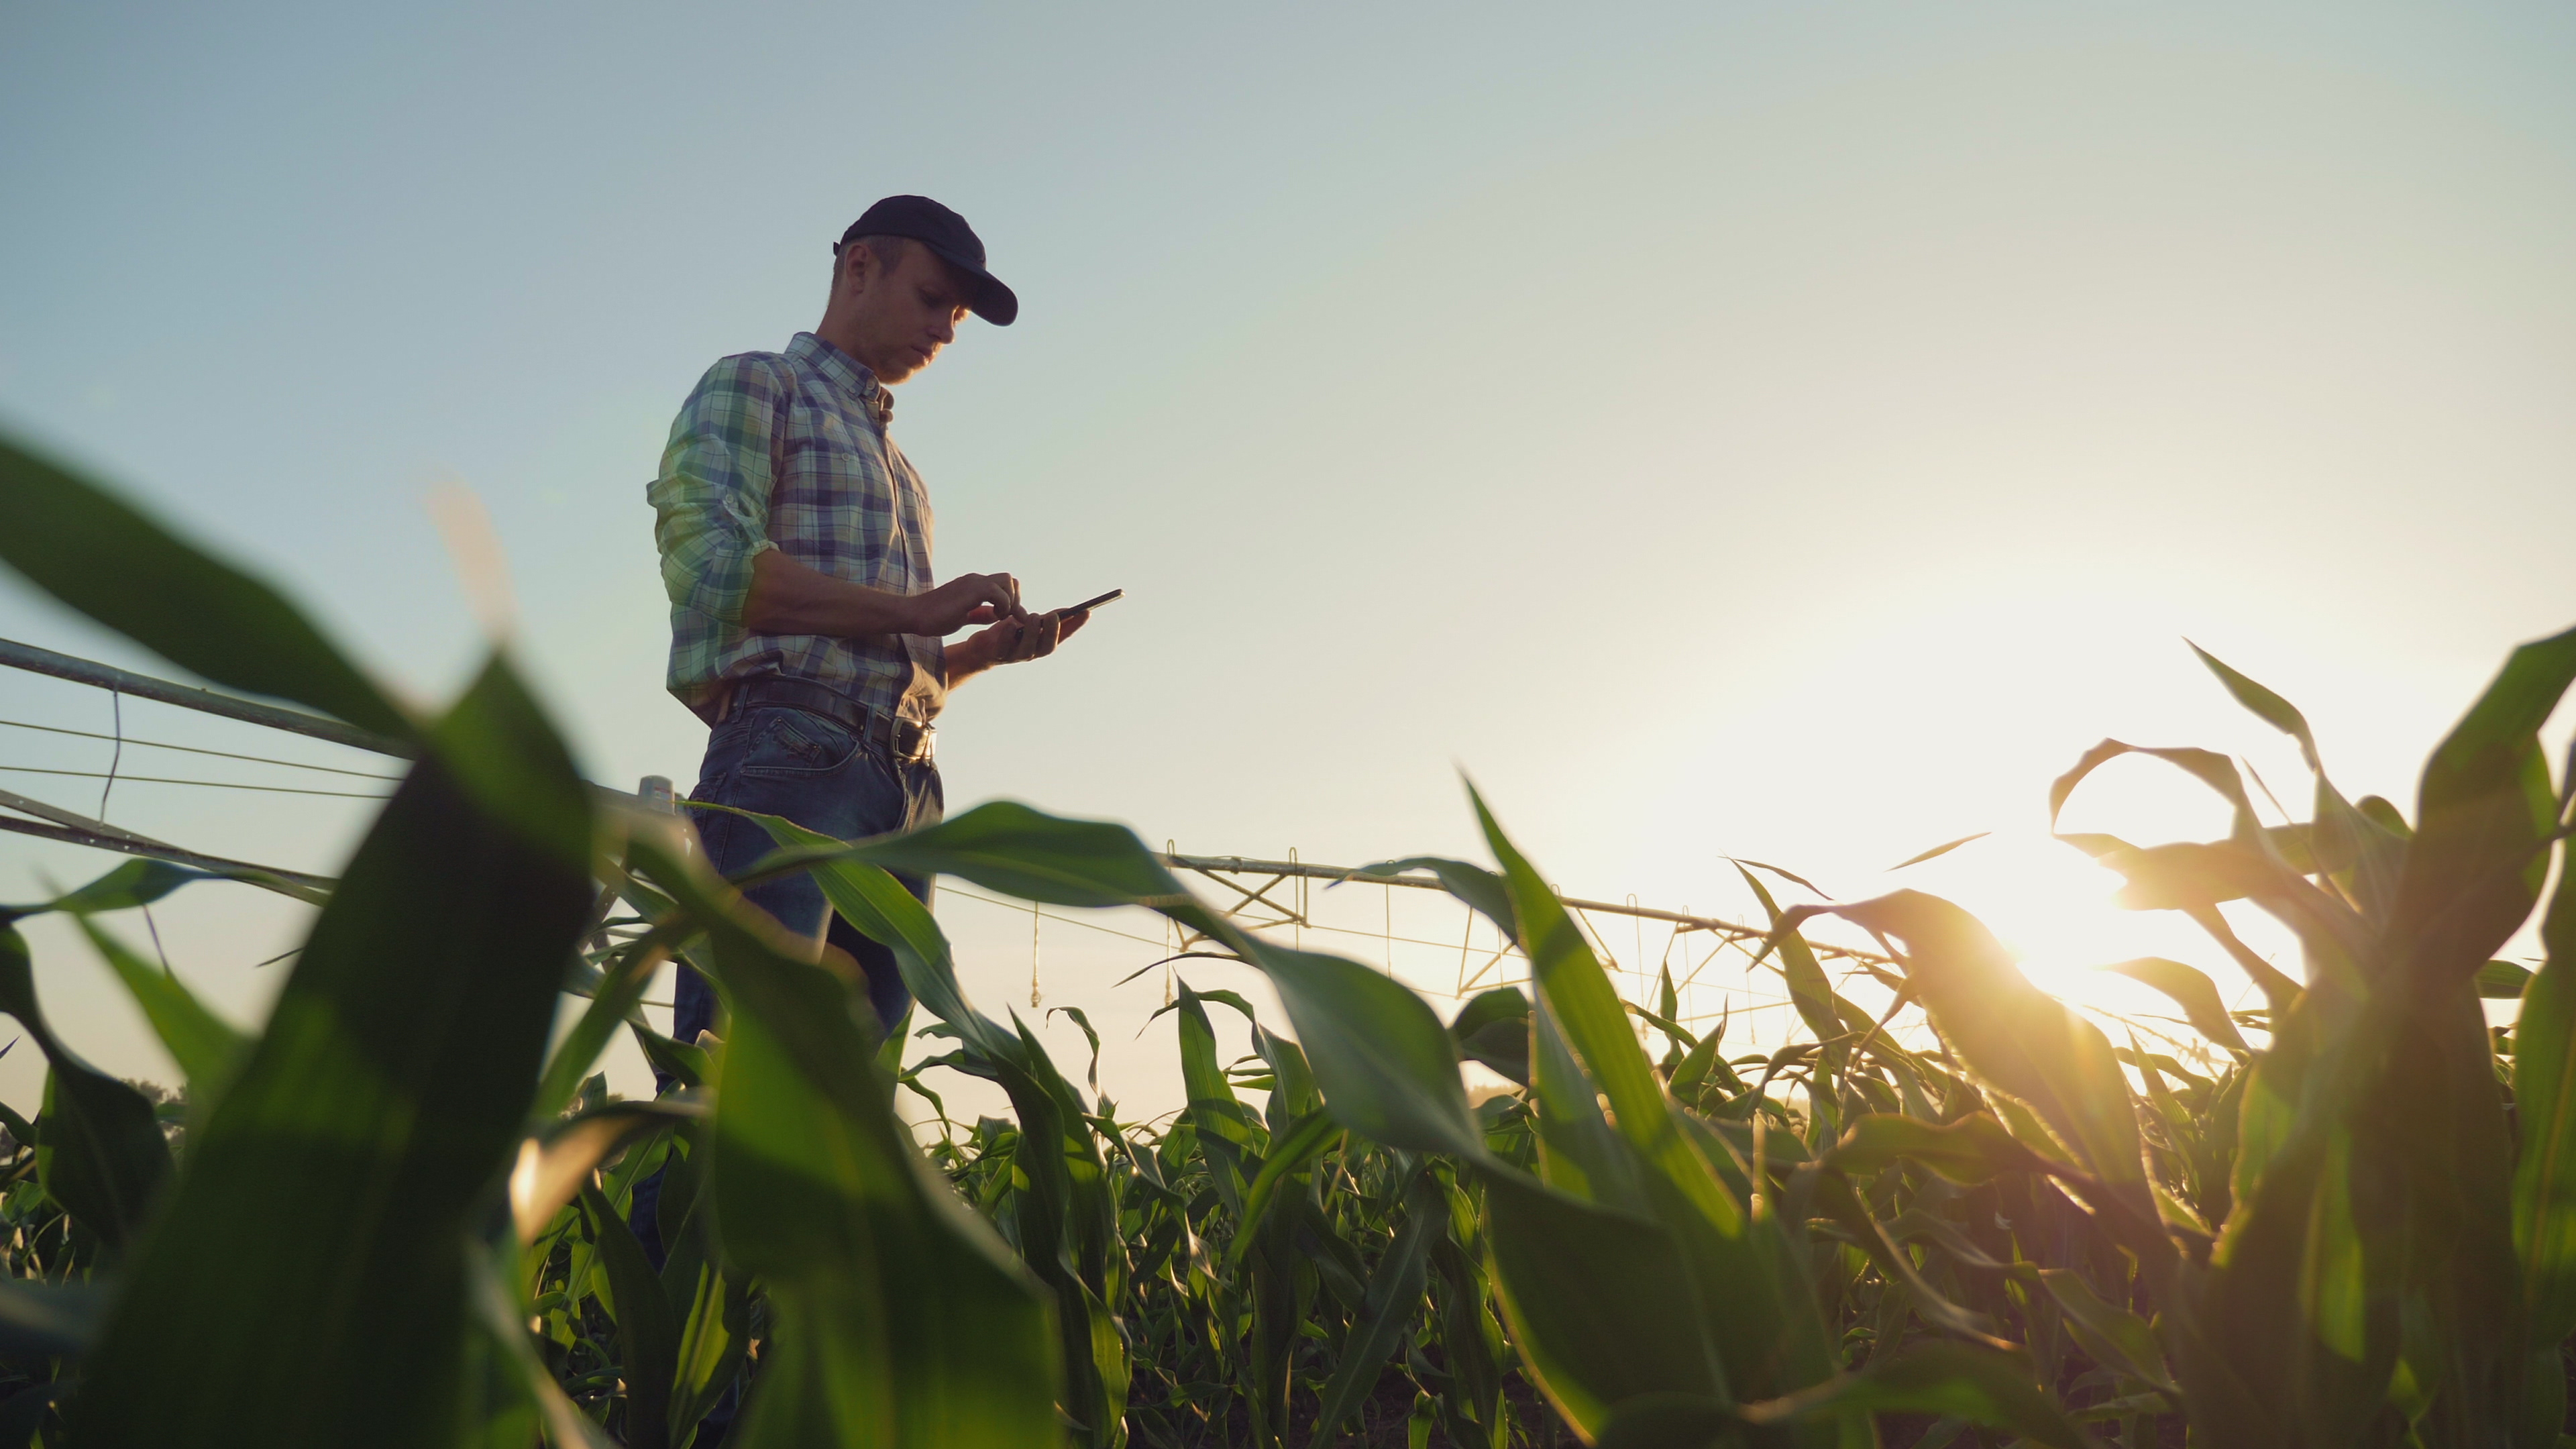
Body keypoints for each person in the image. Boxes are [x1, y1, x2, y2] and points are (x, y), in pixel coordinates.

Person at [646, 194, 1089, 1065]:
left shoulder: (904, 472)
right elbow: (710, 570)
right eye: (934, 301)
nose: (949, 333)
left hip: (906, 791)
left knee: (845, 1126)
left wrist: (975, 656)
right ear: (859, 268)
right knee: (731, 1093)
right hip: (790, 762)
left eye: (958, 316)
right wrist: (915, 612)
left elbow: (873, 662)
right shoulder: (757, 385)